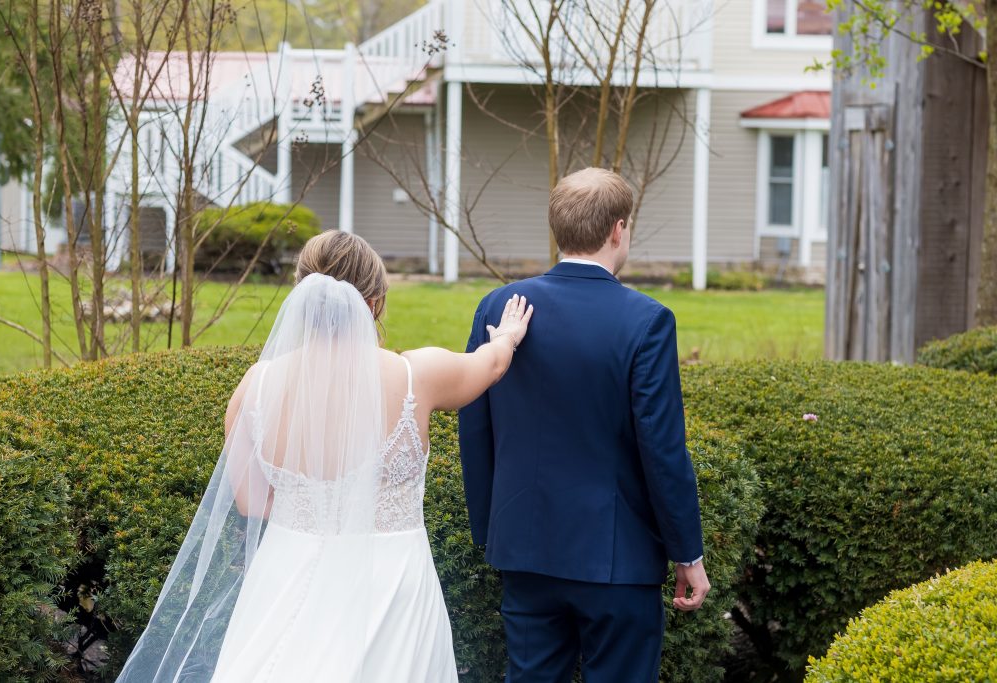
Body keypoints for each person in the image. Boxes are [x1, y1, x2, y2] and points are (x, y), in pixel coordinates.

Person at [115, 230, 533, 682]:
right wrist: (508, 335)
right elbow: (490, 364)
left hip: (286, 570)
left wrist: (311, 515)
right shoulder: (416, 375)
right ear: (373, 304)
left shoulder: (255, 388)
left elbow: (251, 502)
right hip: (389, 581)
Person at [459, 167, 710, 682]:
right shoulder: (646, 321)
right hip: (618, 559)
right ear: (619, 229)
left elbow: (475, 428)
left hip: (524, 549)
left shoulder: (499, 307)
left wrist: (491, 529)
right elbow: (662, 449)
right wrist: (687, 552)